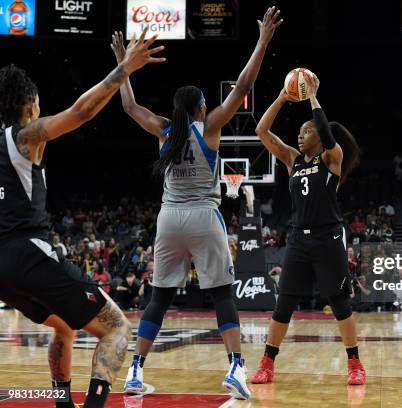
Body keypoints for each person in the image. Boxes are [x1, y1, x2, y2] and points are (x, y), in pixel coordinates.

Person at [111, 7, 283, 399]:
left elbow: (127, 107)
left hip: (168, 219)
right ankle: (236, 368)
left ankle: (135, 371)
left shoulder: (164, 129)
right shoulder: (209, 128)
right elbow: (242, 87)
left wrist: (123, 66)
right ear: (200, 108)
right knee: (222, 293)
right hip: (204, 216)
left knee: (159, 298)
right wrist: (262, 42)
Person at [0, 27, 164, 408]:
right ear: (29, 106)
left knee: (62, 328)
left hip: (2, 266)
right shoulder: (26, 136)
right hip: (29, 254)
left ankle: (62, 404)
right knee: (118, 329)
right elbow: (81, 111)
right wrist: (124, 68)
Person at [249, 72, 365, 385]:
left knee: (339, 302)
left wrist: (312, 96)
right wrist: (282, 98)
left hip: (329, 237)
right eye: (299, 132)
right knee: (284, 303)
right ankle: (266, 364)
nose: (300, 136)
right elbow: (261, 130)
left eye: (306, 130)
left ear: (319, 134)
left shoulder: (332, 157)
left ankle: (355, 364)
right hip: (300, 238)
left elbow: (328, 136)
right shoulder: (292, 159)